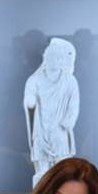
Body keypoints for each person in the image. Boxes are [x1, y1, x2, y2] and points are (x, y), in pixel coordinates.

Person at [24, 37, 79, 186]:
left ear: (62, 61)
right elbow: (29, 98)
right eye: (51, 57)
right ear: (45, 58)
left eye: (58, 58)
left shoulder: (69, 81)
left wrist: (68, 121)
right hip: (41, 127)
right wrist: (30, 101)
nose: (54, 61)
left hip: (59, 128)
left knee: (62, 169)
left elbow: (74, 104)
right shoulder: (34, 80)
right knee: (41, 169)